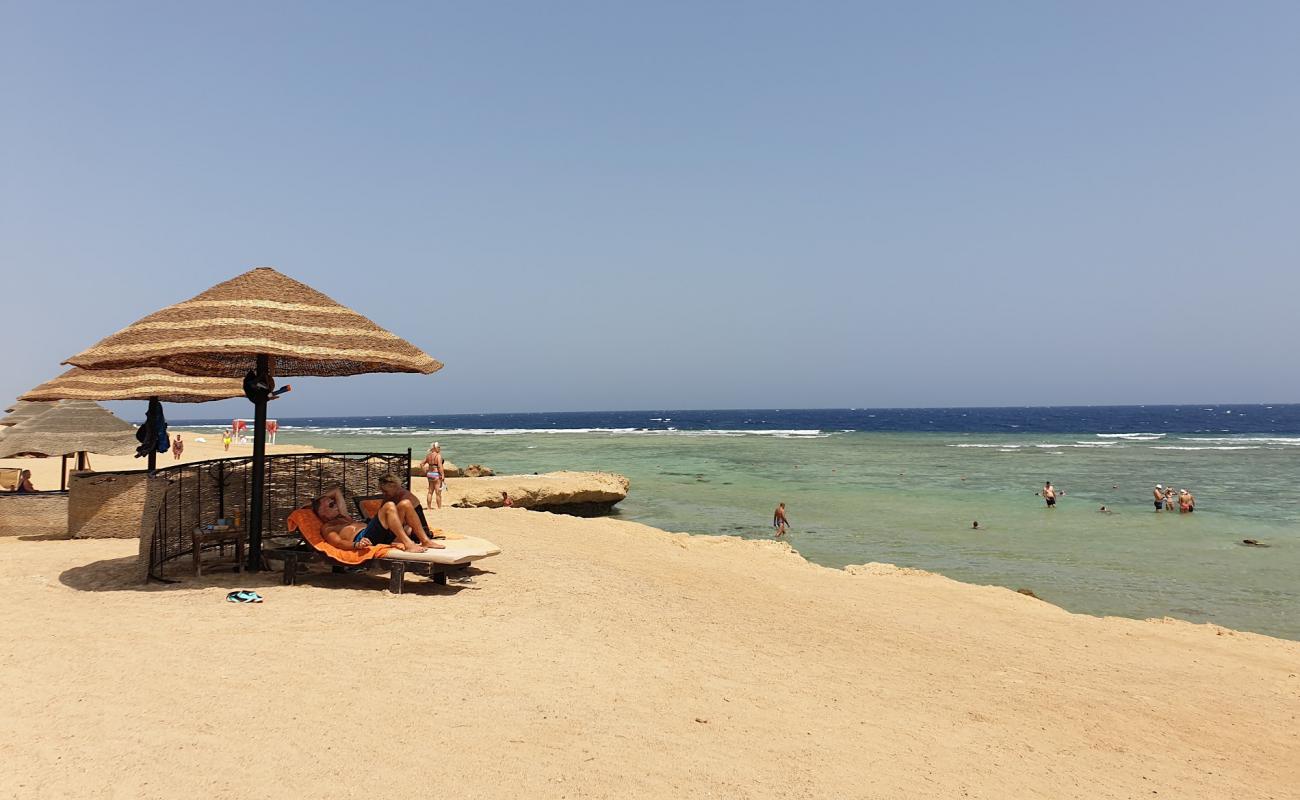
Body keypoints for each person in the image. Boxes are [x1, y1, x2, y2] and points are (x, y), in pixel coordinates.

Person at [310, 485, 441, 553]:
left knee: (405, 503)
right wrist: (356, 545)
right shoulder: (328, 527)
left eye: (334, 502)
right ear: (322, 513)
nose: (336, 505)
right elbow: (338, 543)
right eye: (331, 505)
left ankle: (425, 541)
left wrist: (315, 501)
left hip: (377, 532)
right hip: (365, 537)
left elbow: (336, 491)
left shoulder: (344, 517)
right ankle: (408, 544)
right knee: (389, 506)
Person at [419, 442, 444, 510]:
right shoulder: (438, 456)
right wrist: (443, 475)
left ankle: (429, 507)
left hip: (430, 474)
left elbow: (421, 464)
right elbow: (439, 466)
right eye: (438, 447)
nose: (439, 448)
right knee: (438, 492)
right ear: (435, 448)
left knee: (430, 491)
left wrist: (425, 471)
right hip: (436, 474)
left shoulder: (428, 456)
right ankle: (439, 507)